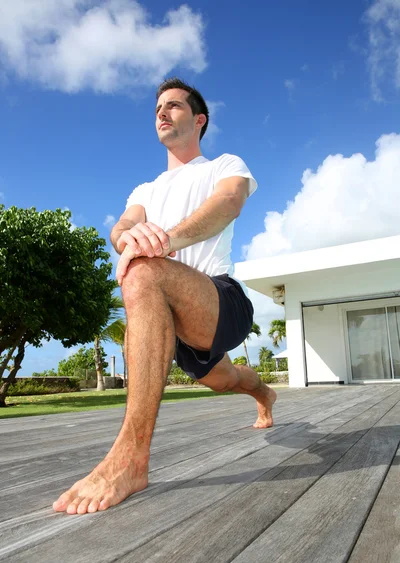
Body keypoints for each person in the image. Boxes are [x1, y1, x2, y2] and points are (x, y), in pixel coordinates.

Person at [53, 78, 277, 515]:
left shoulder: (224, 165)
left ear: (198, 120)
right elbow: (121, 228)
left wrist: (164, 240)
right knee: (226, 381)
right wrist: (129, 236)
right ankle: (265, 396)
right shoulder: (146, 190)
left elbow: (229, 203)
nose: (161, 112)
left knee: (140, 274)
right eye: (158, 107)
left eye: (173, 106)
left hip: (218, 297)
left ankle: (130, 461)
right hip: (170, 317)